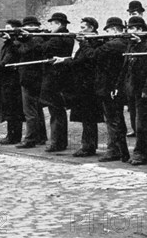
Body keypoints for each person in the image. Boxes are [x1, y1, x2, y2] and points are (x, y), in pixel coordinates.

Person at [54, 17, 104, 157]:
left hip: (89, 85)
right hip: (82, 85)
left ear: (91, 29)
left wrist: (83, 44)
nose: (80, 30)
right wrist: (64, 59)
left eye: (83, 28)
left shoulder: (96, 42)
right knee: (85, 118)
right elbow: (78, 59)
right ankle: (87, 145)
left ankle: (88, 147)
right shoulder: (87, 43)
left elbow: (87, 59)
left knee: (88, 118)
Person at [118, 16, 147, 165]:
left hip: (143, 90)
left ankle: (140, 154)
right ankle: (143, 154)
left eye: (133, 28)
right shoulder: (131, 45)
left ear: (141, 30)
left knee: (141, 125)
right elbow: (125, 67)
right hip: (132, 90)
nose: (130, 31)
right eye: (129, 28)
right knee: (136, 125)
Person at [94, 17, 130, 162]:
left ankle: (115, 150)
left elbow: (95, 54)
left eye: (108, 30)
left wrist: (87, 43)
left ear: (115, 30)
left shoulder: (114, 44)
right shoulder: (124, 43)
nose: (107, 34)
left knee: (113, 120)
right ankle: (121, 151)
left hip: (110, 87)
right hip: (116, 87)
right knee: (116, 119)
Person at [39, 13, 74, 152]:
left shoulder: (57, 39)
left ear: (59, 24)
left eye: (52, 24)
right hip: (59, 79)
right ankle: (59, 142)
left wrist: (42, 36)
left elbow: (43, 49)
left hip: (54, 80)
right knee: (57, 112)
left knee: (55, 112)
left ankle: (57, 142)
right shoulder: (65, 37)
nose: (50, 27)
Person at [14, 16, 47, 148]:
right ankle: (40, 137)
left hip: (30, 79)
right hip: (34, 78)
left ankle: (30, 139)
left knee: (30, 111)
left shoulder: (36, 39)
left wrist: (17, 40)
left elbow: (22, 51)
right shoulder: (36, 39)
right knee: (36, 110)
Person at [125, 0, 147, 137]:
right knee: (132, 104)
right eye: (130, 13)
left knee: (143, 105)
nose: (132, 15)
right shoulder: (130, 29)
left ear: (141, 13)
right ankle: (135, 128)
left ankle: (146, 129)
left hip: (143, 70)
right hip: (133, 70)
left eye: (134, 13)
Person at [0, 19, 25, 145]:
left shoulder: (15, 43)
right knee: (9, 108)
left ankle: (14, 136)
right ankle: (11, 134)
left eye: (8, 29)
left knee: (13, 110)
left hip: (13, 81)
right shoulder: (10, 44)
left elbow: (7, 61)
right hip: (7, 81)